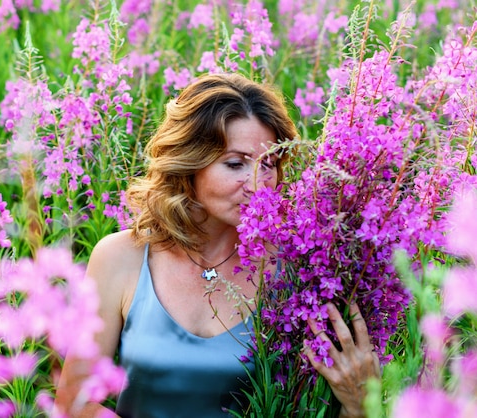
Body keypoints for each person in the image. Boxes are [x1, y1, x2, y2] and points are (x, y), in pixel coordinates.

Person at [56, 73, 380, 417]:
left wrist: (361, 404)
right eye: (235, 164)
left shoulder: (292, 271)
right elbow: (74, 401)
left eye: (268, 164)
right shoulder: (120, 258)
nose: (258, 184)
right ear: (189, 163)